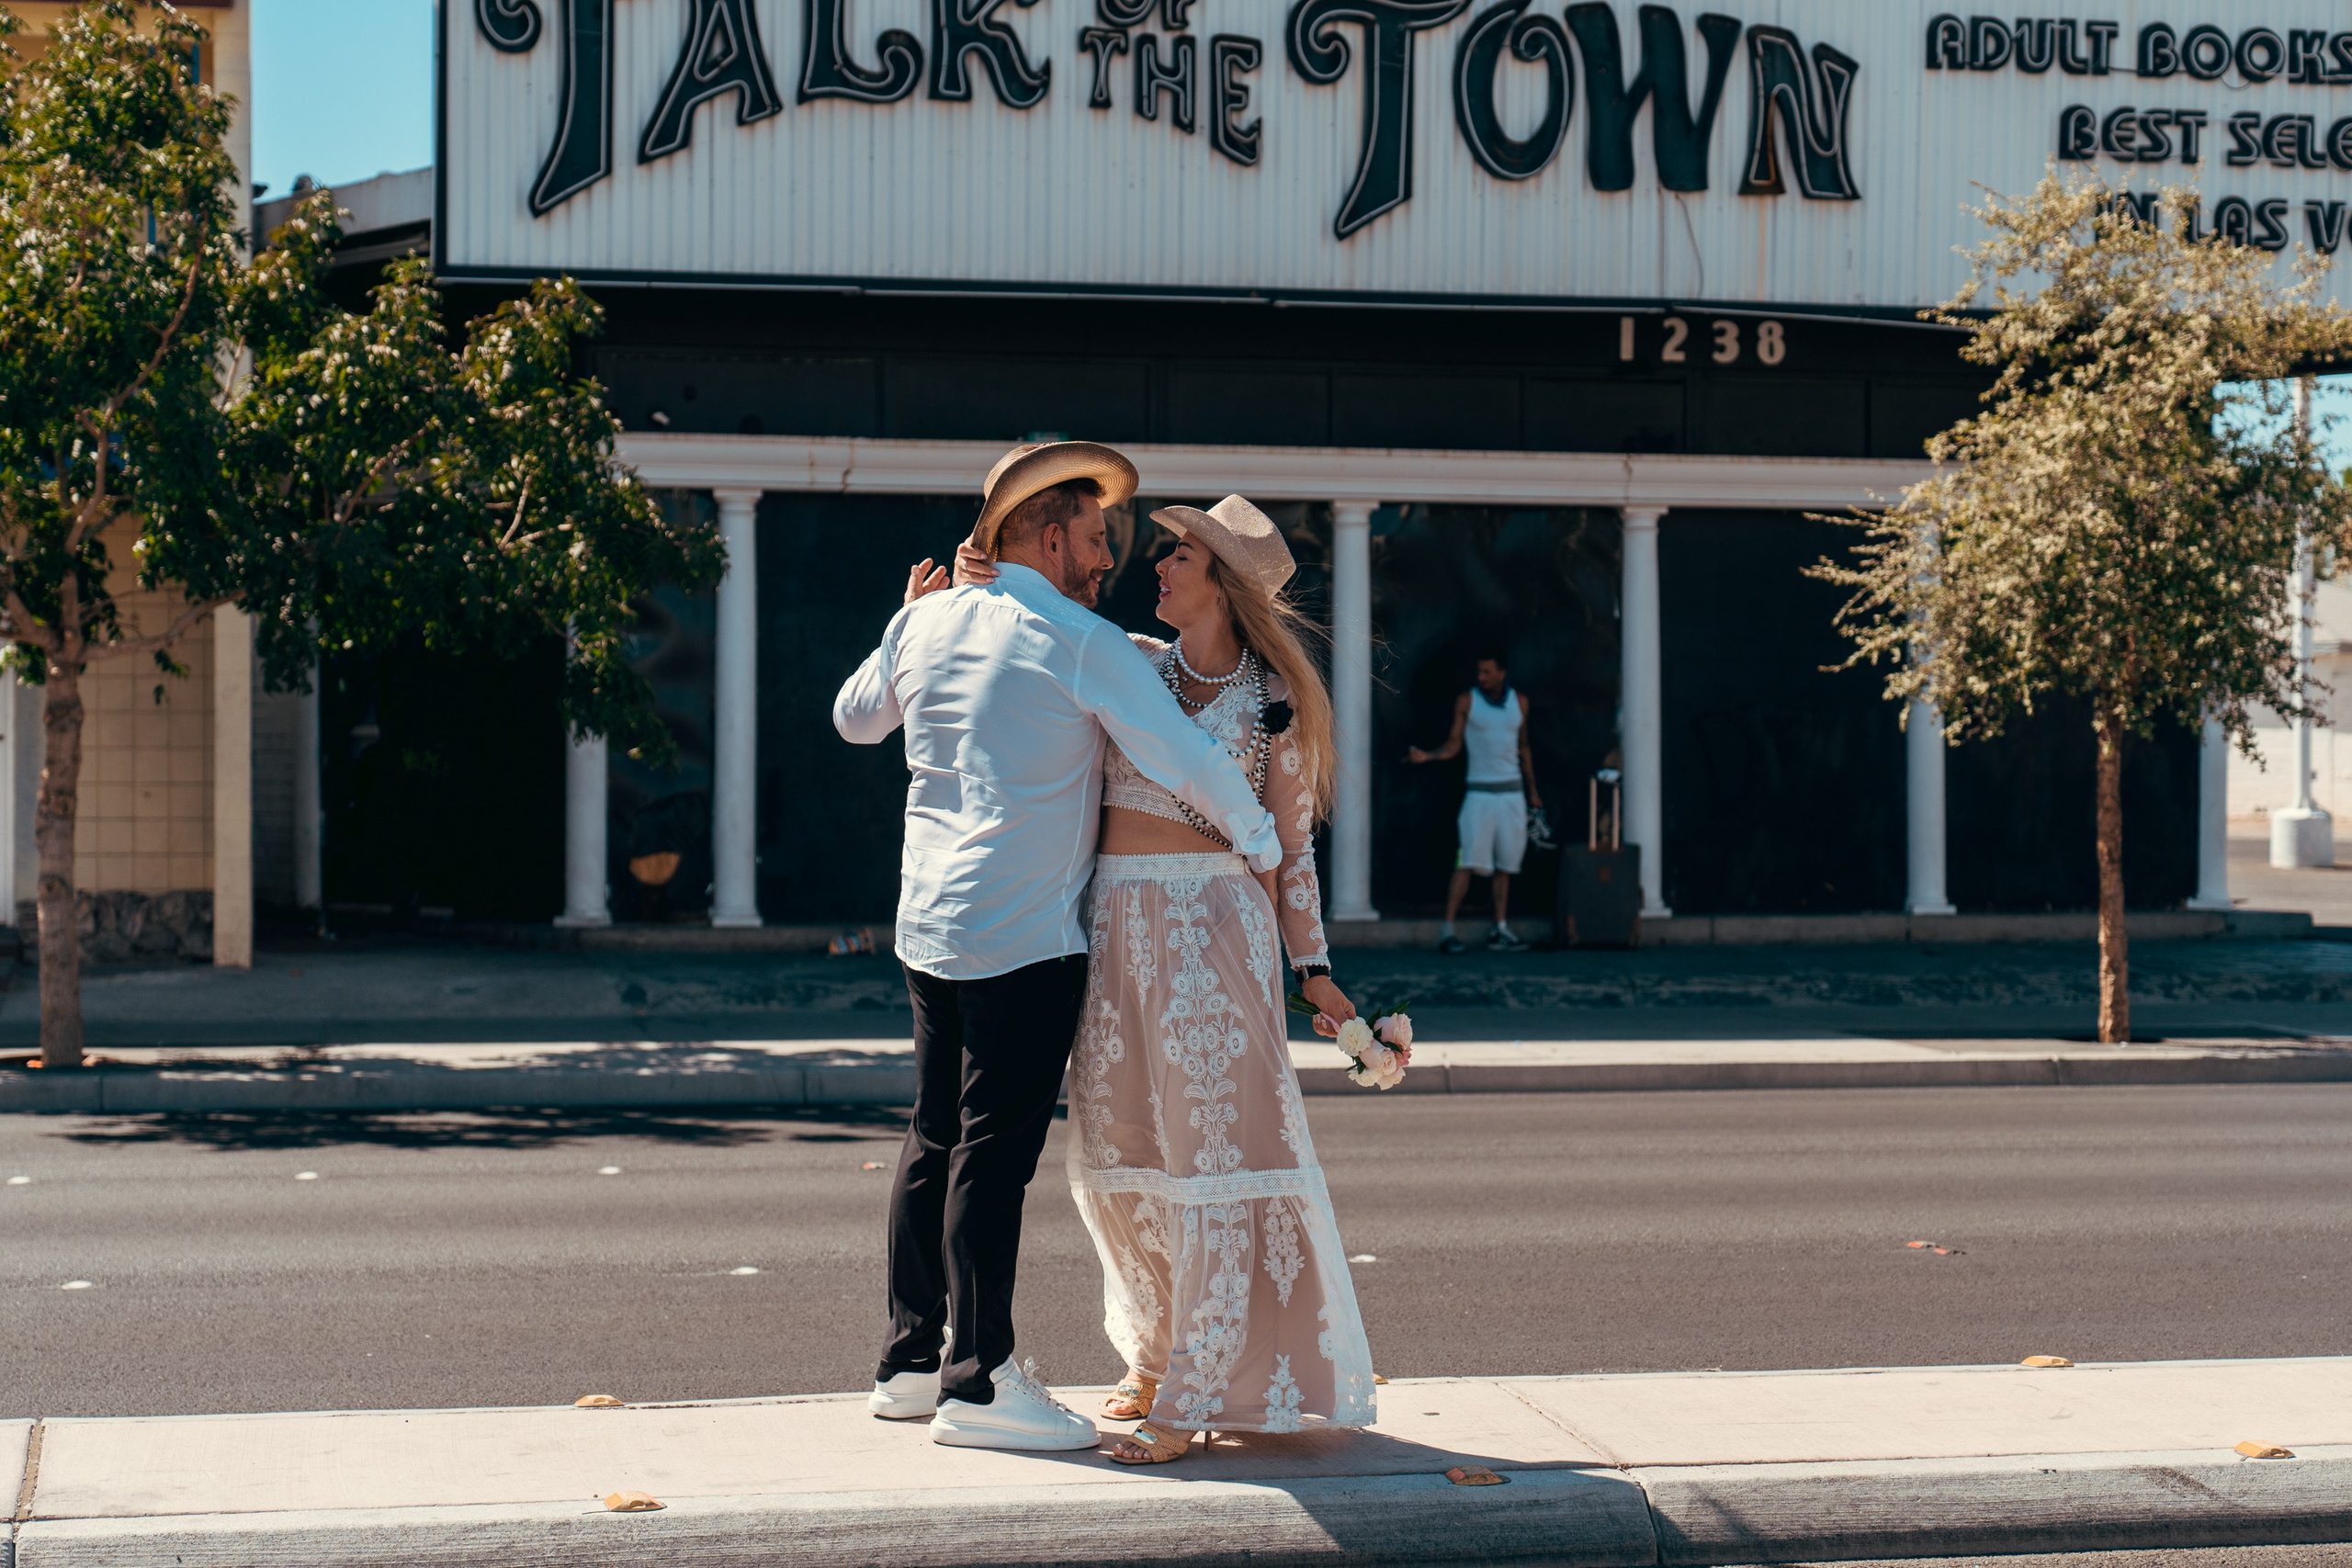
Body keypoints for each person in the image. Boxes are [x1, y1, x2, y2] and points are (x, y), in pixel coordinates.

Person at [832, 443, 1284, 1452]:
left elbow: (856, 721)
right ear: (1046, 536)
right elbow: (1183, 753)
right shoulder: (1076, 637)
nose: (1104, 557)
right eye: (1091, 537)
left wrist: (903, 616)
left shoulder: (928, 620)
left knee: (933, 1139)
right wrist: (1257, 843)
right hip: (1025, 935)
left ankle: (909, 1362)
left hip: (928, 924)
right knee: (992, 1155)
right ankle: (980, 1380)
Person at [951, 495, 1380, 1465]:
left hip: (1212, 933)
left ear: (1221, 584)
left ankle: (1195, 1391)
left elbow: (1291, 853)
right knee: (1120, 1158)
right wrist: (992, 585)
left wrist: (1315, 976)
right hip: (1111, 930)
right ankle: (1155, 1348)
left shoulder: (1273, 701)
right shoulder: (1130, 663)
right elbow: (1046, 628)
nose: (1158, 563)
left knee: (1212, 1162)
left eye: (1180, 554)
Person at [1406, 649, 1544, 953]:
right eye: (1479, 672)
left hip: (1512, 795)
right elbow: (1455, 745)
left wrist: (1532, 790)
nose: (1481, 678)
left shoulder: (1520, 703)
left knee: (1506, 865)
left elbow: (1524, 748)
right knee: (1466, 861)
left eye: (1487, 672)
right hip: (1479, 794)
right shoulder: (1468, 701)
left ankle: (1500, 928)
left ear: (1502, 672)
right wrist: (1429, 756)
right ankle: (1448, 930)